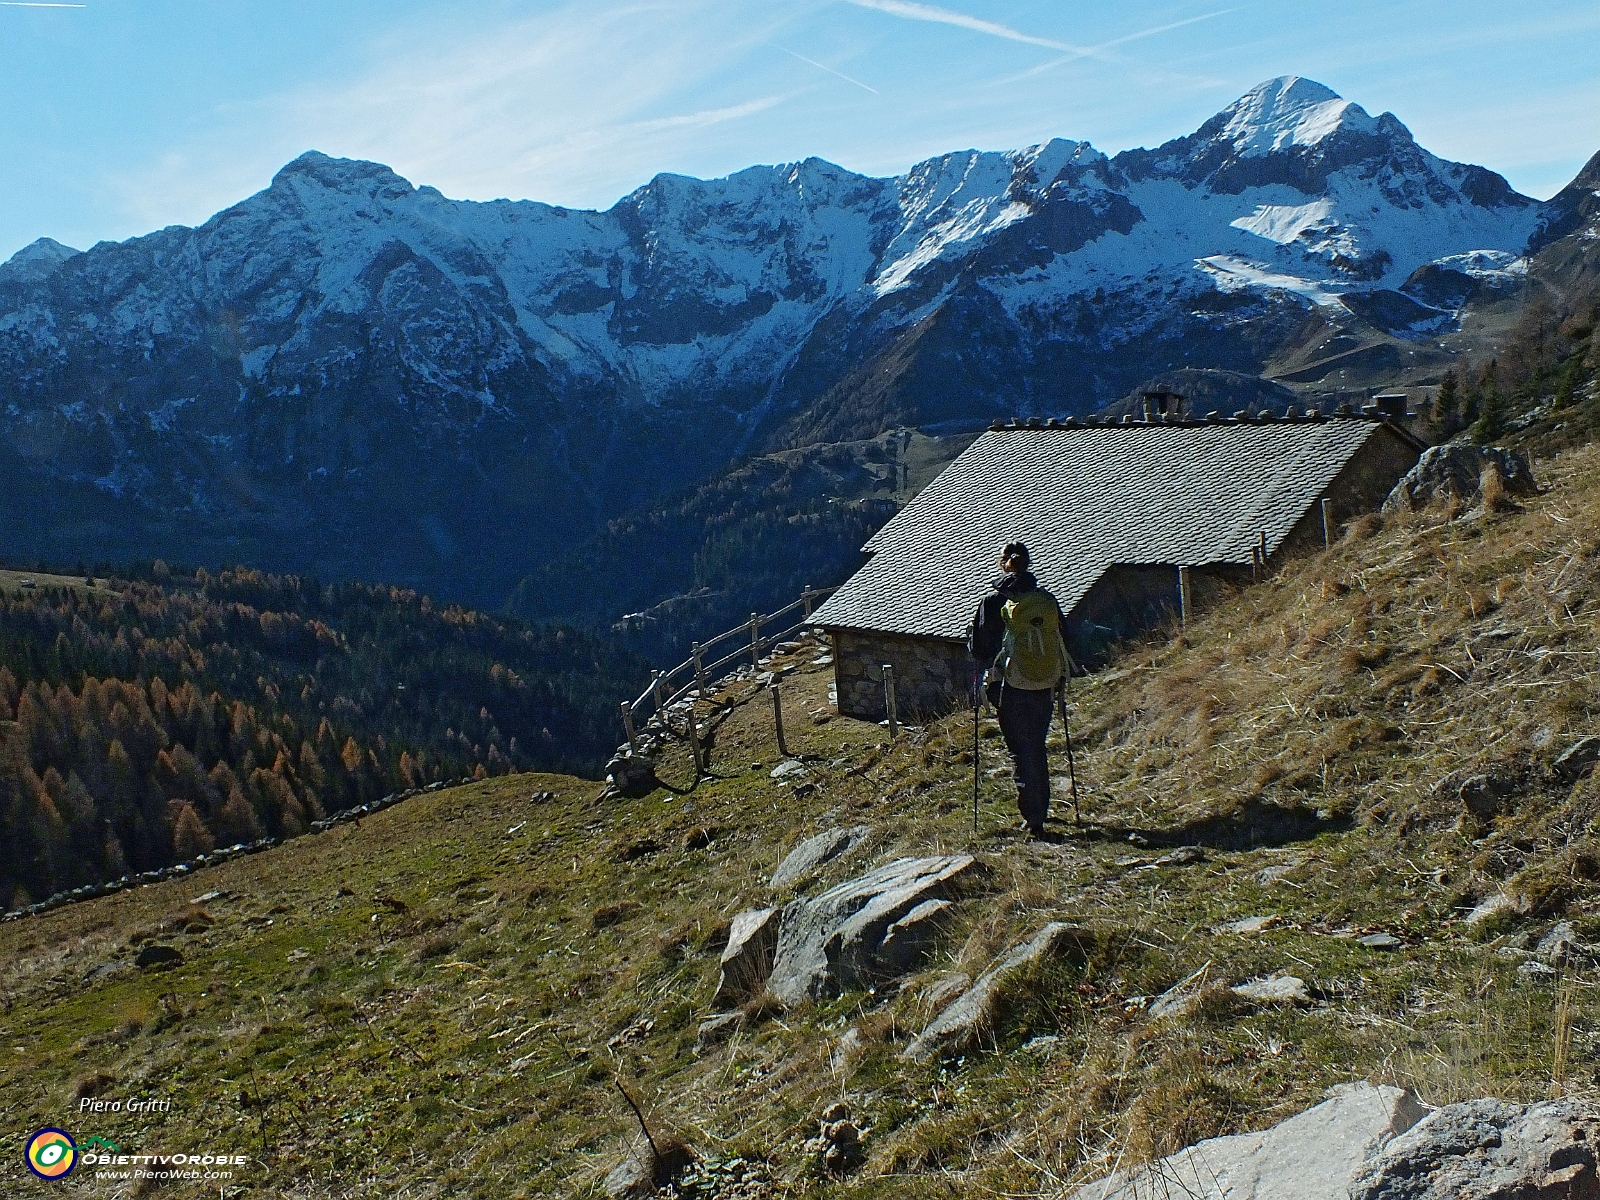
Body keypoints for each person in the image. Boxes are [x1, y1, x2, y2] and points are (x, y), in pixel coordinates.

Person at [967, 542, 1070, 839]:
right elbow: (1063, 635)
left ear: (1003, 564)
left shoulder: (993, 603)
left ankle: (1032, 817)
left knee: (1019, 750)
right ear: (1027, 563)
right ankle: (1041, 808)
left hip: (1009, 687)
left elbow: (980, 648)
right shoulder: (1044, 600)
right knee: (1036, 745)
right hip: (1044, 684)